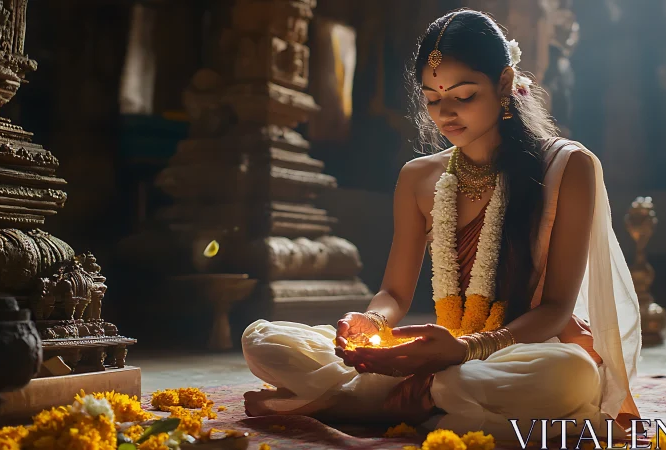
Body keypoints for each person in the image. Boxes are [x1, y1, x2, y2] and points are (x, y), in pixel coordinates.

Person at [241, 9, 642, 441]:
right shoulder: (419, 177)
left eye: (464, 96)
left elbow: (556, 308)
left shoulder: (567, 167)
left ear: (504, 83)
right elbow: (393, 293)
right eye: (432, 99)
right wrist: (371, 322)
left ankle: (370, 400)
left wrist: (467, 349)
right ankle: (431, 404)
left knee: (570, 376)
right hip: (442, 350)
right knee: (264, 340)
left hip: (518, 351)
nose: (445, 113)